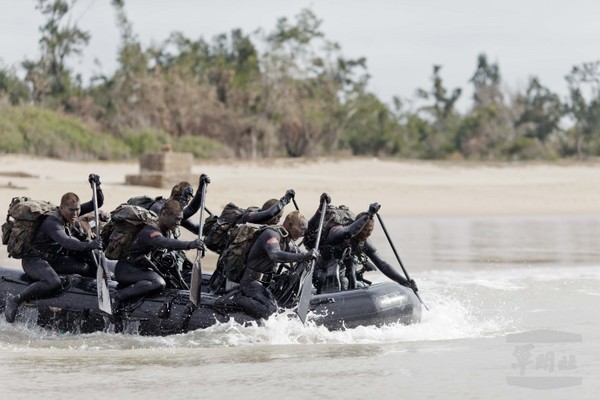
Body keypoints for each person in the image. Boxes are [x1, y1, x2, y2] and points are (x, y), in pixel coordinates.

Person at [4, 174, 104, 323]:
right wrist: (89, 245)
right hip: (34, 259)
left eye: (78, 210)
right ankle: (16, 299)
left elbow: (97, 203)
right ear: (62, 207)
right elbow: (66, 242)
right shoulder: (52, 222)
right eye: (71, 210)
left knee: (87, 268)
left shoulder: (72, 213)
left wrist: (97, 186)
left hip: (53, 259)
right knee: (54, 283)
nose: (76, 214)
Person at [306, 193, 418, 294]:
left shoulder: (364, 242)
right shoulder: (337, 232)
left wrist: (405, 282)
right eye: (365, 230)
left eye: (371, 231)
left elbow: (383, 264)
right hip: (320, 269)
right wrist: (369, 214)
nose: (368, 234)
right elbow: (348, 232)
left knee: (351, 275)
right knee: (336, 278)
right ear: (358, 226)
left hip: (342, 271)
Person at [217, 210, 318, 320]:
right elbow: (275, 255)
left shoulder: (285, 239)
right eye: (301, 229)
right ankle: (235, 299)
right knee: (271, 311)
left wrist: (311, 256)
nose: (303, 234)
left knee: (277, 306)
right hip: (251, 282)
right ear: (290, 224)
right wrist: (304, 256)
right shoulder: (272, 234)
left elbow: (299, 254)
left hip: (265, 283)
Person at [112, 199, 204, 314]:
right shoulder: (150, 231)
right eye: (177, 219)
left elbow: (190, 209)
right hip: (126, 270)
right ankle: (120, 296)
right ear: (164, 214)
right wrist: (190, 244)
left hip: (141, 268)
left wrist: (201, 190)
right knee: (158, 283)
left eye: (180, 219)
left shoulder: (166, 227)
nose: (179, 223)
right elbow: (163, 242)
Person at [207, 189, 297, 293]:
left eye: (280, 218)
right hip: (231, 275)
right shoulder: (248, 218)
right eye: (277, 217)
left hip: (248, 277)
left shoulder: (268, 231)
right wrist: (285, 200)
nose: (277, 221)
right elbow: (269, 213)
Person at [147, 174, 211, 235]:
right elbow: (191, 209)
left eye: (187, 202)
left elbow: (197, 229)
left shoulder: (176, 214)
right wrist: (200, 190)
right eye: (184, 201)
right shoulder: (159, 208)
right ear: (175, 195)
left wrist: (215, 226)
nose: (184, 205)